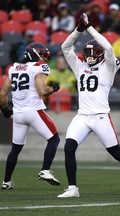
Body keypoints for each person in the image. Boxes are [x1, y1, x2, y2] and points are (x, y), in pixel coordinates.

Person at [57, 13, 120, 198]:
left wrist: (89, 27)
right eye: (88, 54)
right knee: (68, 147)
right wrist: (78, 30)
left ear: (99, 55)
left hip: (100, 116)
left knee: (117, 153)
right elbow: (65, 46)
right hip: (82, 116)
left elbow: (107, 46)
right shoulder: (79, 66)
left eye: (93, 54)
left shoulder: (108, 67)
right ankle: (73, 188)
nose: (89, 57)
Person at [0, 42, 61, 189]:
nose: (45, 58)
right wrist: (54, 87)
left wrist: (5, 110)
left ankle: (6, 182)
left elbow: (2, 94)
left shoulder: (13, 68)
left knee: (15, 149)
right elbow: (42, 91)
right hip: (34, 111)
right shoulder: (38, 66)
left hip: (18, 114)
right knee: (54, 139)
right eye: (42, 54)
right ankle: (45, 170)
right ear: (34, 54)